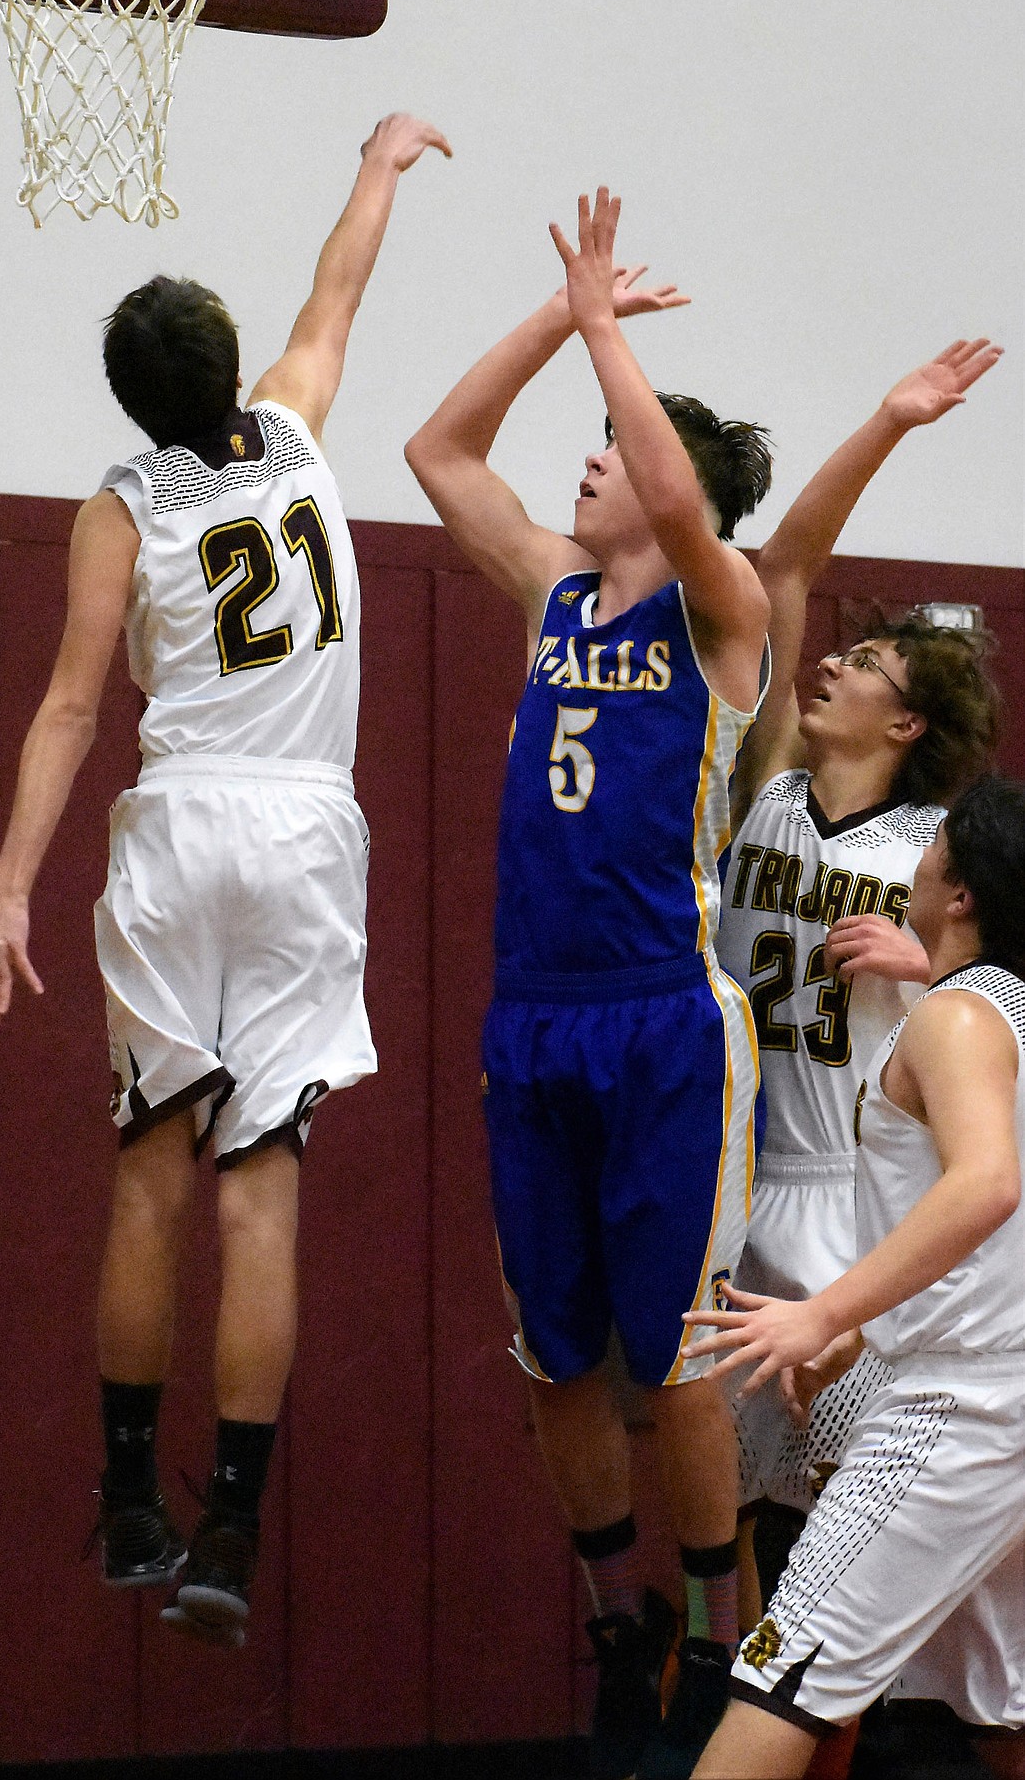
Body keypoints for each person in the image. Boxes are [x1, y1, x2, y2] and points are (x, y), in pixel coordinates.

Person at [0, 112, 450, 1645]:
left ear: (130, 401)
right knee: (262, 1196)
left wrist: (8, 887)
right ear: (228, 371)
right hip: (303, 838)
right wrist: (374, 162)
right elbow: (336, 292)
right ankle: (231, 1522)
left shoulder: (116, 508)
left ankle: (125, 1504)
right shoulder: (295, 430)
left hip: (174, 830)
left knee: (147, 1181)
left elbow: (70, 709)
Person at [406, 189, 773, 1780]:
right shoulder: (556, 587)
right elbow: (436, 451)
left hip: (663, 1015)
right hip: (531, 1008)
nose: (589, 455)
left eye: (609, 443)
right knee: (552, 1345)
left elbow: (684, 497)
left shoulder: (720, 612)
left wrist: (614, 337)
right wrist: (562, 316)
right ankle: (619, 1615)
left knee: (674, 1342)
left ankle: (716, 1631)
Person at [716, 340, 1002, 1632]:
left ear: (904, 728)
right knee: (734, 1518)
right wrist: (886, 418)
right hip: (736, 1182)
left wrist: (945, 960)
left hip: (849, 1206)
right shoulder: (768, 783)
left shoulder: (934, 863)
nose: (824, 665)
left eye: (864, 667)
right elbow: (783, 566)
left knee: (839, 1541)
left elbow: (997, 1031)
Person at [686, 773, 1025, 1780]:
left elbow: (988, 1189)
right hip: (999, 1391)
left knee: (780, 1669)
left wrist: (821, 1309)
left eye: (934, 852)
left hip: (964, 1406)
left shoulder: (956, 1019)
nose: (914, 860)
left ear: (958, 891)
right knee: (1005, 1715)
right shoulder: (1008, 1008)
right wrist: (858, 1335)